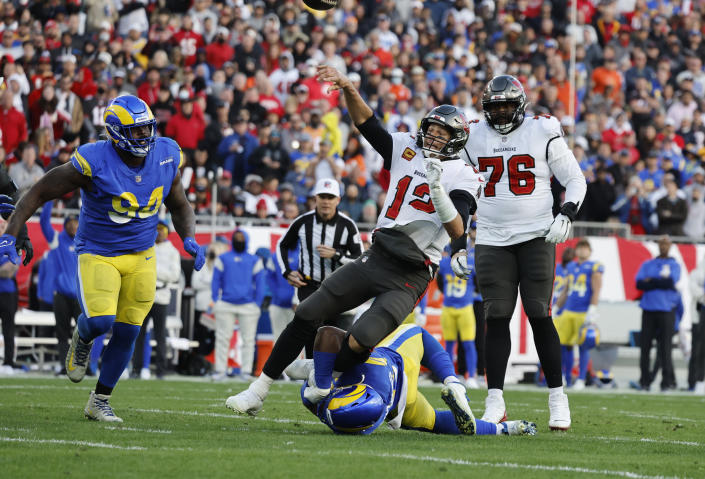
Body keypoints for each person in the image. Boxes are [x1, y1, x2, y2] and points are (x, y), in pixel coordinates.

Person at [226, 64, 482, 416]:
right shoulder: (407, 147)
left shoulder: (463, 174)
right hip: (378, 254)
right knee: (308, 310)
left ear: (456, 139)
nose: (434, 137)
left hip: (411, 272)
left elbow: (457, 228)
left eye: (442, 134)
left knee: (363, 336)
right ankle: (258, 390)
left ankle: (325, 374)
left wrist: (438, 189)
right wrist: (348, 88)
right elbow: (368, 124)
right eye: (432, 130)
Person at [0, 95, 206, 422]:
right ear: (115, 132)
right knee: (101, 322)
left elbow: (179, 205)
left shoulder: (166, 155)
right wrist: (12, 230)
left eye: (147, 129)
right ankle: (83, 334)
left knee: (128, 331)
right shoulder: (93, 161)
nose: (145, 137)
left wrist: (189, 237)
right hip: (99, 252)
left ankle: (100, 400)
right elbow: (38, 192)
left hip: (142, 254)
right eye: (136, 131)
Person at [465, 75, 586, 430]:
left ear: (520, 106)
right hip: (490, 235)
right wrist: (457, 241)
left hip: (536, 233)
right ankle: (494, 400)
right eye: (495, 106)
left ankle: (557, 397)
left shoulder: (542, 128)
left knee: (538, 312)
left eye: (506, 105)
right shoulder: (473, 135)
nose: (501, 113)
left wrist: (567, 212)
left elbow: (575, 179)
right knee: (496, 314)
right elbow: (455, 182)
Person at [286, 324, 536, 437]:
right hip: (400, 374)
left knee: (436, 423)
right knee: (415, 332)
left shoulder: (318, 403)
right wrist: (450, 378)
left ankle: (502, 428)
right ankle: (497, 423)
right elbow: (327, 333)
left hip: (398, 397)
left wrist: (319, 381)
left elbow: (326, 335)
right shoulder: (326, 401)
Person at [273, 177, 362, 356]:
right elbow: (281, 245)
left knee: (335, 337)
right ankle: (310, 380)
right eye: (322, 196)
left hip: (339, 288)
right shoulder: (302, 222)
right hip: (309, 286)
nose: (326, 201)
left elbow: (360, 259)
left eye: (330, 197)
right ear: (316, 198)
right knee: (309, 335)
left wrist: (336, 255)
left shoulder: (347, 226)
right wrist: (287, 272)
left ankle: (332, 380)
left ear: (338, 199)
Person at [210, 229, 266, 379]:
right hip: (226, 303)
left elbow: (260, 282)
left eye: (242, 238)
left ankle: (246, 371)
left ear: (246, 240)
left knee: (248, 339)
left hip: (248, 305)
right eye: (237, 237)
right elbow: (216, 280)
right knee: (222, 337)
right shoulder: (223, 258)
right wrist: (216, 299)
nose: (239, 240)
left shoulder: (254, 260)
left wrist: (257, 303)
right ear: (232, 239)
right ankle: (220, 370)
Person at [132, 220, 182, 380]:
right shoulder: (146, 247)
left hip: (161, 295)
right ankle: (136, 368)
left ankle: (161, 369)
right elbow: (137, 268)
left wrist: (153, 271)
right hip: (143, 294)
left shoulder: (172, 251)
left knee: (160, 334)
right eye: (157, 229)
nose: (159, 232)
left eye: (162, 229)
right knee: (138, 333)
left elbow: (174, 275)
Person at [554, 239, 603, 390]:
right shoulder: (570, 266)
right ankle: (563, 376)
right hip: (568, 310)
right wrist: (557, 307)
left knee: (583, 347)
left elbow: (596, 289)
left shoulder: (595, 267)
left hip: (583, 312)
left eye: (585, 248)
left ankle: (581, 379)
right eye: (580, 248)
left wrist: (593, 309)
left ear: (590, 251)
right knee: (562, 345)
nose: (582, 251)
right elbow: (566, 290)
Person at [634, 235, 680, 392]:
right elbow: (639, 283)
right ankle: (644, 381)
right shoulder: (648, 264)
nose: (663, 246)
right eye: (661, 243)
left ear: (670, 246)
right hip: (648, 310)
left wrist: (651, 281)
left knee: (665, 348)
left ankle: (666, 382)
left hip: (666, 310)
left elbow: (670, 282)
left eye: (666, 244)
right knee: (645, 347)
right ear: (658, 245)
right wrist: (658, 282)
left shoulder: (674, 265)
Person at [38, 201, 79, 375]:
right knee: (62, 331)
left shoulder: (84, 241)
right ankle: (64, 366)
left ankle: (81, 367)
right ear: (64, 225)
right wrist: (48, 200)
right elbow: (43, 223)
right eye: (69, 223)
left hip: (79, 295)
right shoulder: (56, 240)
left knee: (83, 332)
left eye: (75, 222)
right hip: (61, 294)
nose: (72, 226)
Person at [437, 237, 480, 389]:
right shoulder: (462, 262)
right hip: (452, 306)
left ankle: (471, 376)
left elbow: (440, 284)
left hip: (463, 307)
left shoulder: (445, 263)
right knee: (451, 344)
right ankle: (451, 377)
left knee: (466, 344)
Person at [0, 217, 19, 372]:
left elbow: (8, 271)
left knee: (8, 328)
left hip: (7, 293)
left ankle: (8, 362)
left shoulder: (12, 245)